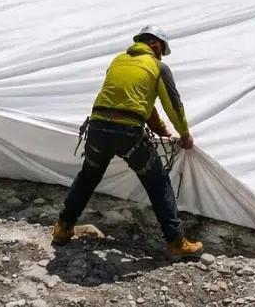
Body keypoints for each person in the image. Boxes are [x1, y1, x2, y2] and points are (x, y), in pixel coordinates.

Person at [53, 26, 202, 259]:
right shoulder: (158, 67)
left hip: (97, 129)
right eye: (161, 51)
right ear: (155, 45)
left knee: (87, 177)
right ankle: (176, 242)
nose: (161, 56)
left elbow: (135, 100)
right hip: (127, 134)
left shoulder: (117, 61)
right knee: (158, 183)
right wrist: (184, 135)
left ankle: (63, 228)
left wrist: (160, 130)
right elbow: (173, 105)